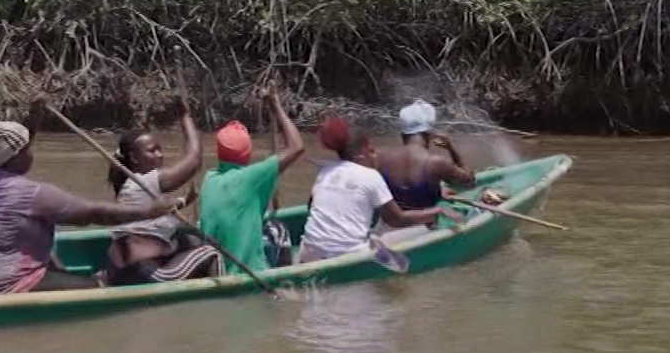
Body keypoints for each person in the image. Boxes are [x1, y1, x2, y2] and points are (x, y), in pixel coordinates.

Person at [0, 117, 180, 294]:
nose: (32, 153)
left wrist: (35, 115)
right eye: (29, 149)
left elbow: (15, 143)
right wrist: (148, 212)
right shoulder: (33, 194)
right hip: (7, 284)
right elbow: (94, 213)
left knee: (53, 260)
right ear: (20, 155)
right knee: (95, 292)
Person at [102, 99, 220, 286]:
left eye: (160, 149)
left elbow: (157, 211)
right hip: (144, 272)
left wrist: (184, 201)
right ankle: (224, 300)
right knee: (212, 253)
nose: (160, 155)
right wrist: (186, 118)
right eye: (152, 151)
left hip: (118, 270)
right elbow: (194, 160)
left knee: (189, 238)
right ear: (134, 157)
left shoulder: (128, 184)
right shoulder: (145, 180)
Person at [301, 117, 451, 263]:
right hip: (347, 255)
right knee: (423, 227)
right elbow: (395, 219)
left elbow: (311, 208)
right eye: (371, 151)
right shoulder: (371, 176)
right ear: (361, 153)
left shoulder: (325, 172)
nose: (376, 155)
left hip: (308, 252)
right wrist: (435, 213)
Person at [196, 87, 306, 274]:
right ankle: (288, 282)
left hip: (217, 268)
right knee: (279, 230)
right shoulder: (253, 177)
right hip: (247, 270)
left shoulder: (209, 178)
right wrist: (276, 105)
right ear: (248, 153)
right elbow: (296, 146)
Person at [375, 100, 476, 211]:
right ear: (429, 134)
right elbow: (469, 182)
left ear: (403, 134)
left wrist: (438, 189)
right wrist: (451, 148)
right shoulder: (437, 163)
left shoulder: (380, 156)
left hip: (390, 223)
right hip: (425, 222)